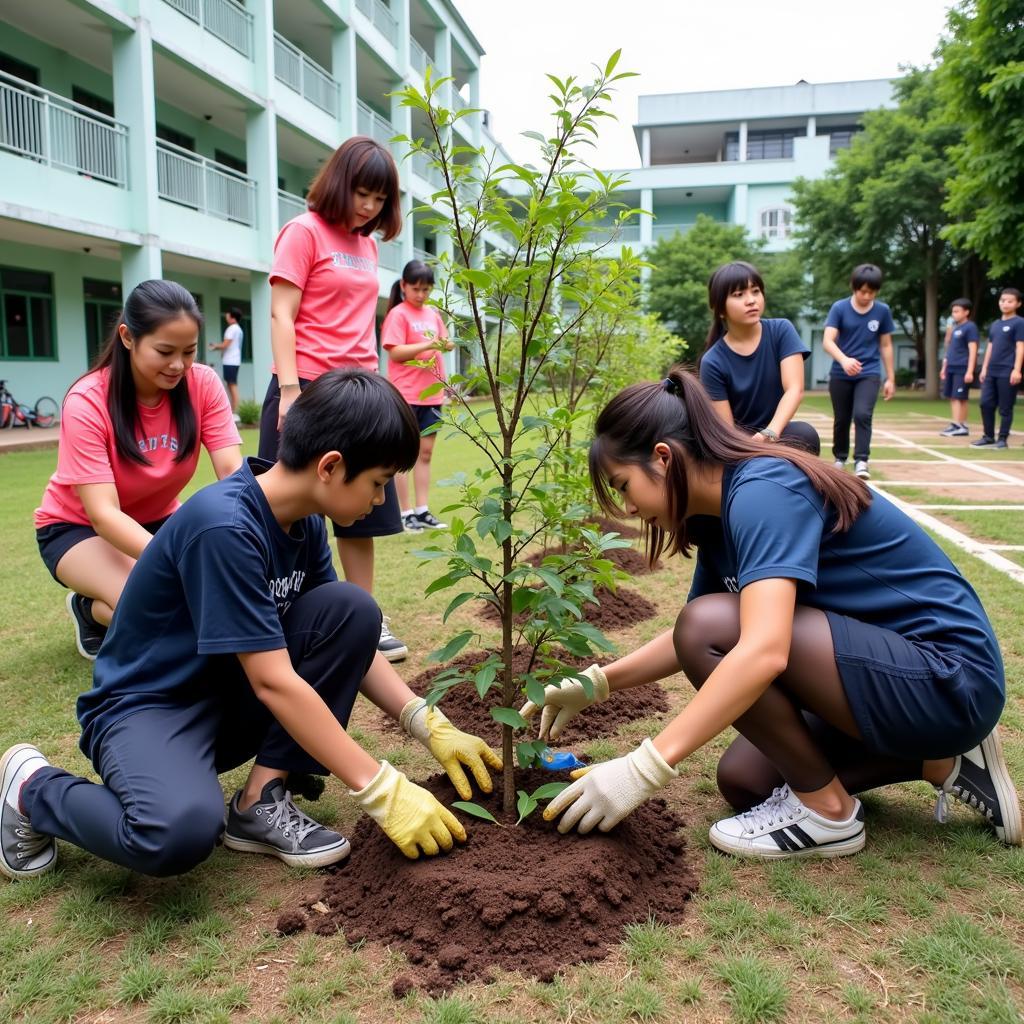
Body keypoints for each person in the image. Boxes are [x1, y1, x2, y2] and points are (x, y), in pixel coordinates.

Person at [2, 370, 502, 882]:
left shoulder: (301, 519)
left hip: (223, 697)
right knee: (174, 833)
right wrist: (381, 789)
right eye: (377, 484)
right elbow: (273, 681)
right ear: (331, 466)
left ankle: (258, 802)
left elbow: (340, 635)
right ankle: (32, 787)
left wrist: (425, 722)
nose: (379, 500)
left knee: (351, 610)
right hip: (148, 708)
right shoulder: (224, 528)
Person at [521, 367, 1021, 858]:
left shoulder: (764, 488)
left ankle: (830, 815)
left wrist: (642, 769)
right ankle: (941, 759)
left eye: (623, 485)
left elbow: (749, 646)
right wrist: (596, 684)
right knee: (746, 780)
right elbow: (689, 639)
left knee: (710, 627)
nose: (626, 509)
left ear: (663, 457)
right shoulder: (716, 517)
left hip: (949, 677)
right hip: (883, 672)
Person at [33, 280, 243, 661]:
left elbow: (232, 471)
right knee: (168, 609)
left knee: (199, 604)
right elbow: (104, 513)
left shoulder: (203, 384)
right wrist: (175, 561)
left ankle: (101, 608)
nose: (178, 365)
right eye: (164, 351)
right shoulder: (87, 401)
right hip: (76, 529)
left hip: (160, 521)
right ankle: (92, 609)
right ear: (128, 337)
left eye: (189, 351)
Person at [257, 136, 409, 662]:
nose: (369, 207)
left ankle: (363, 614)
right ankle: (283, 612)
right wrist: (292, 391)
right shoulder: (303, 232)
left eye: (380, 199)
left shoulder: (368, 245)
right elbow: (281, 314)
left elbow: (363, 324)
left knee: (360, 510)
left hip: (358, 392)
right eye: (362, 194)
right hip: (308, 389)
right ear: (341, 184)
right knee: (291, 509)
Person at [698, 261, 819, 454]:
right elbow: (726, 431)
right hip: (740, 447)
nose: (751, 300)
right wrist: (753, 445)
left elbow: (795, 389)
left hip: (777, 434)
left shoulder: (781, 330)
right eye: (739, 295)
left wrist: (770, 433)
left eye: (755, 291)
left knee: (804, 434)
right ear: (720, 309)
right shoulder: (712, 362)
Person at [381, 259, 454, 532]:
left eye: (426, 289)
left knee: (425, 453)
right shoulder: (398, 314)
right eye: (416, 289)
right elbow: (395, 351)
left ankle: (422, 511)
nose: (421, 295)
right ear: (403, 286)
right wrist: (428, 344)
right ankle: (405, 513)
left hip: (431, 396)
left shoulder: (433, 314)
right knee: (404, 455)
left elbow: (445, 342)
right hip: (407, 394)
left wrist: (445, 345)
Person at [823, 264, 896, 480]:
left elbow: (885, 345)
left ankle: (862, 460)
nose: (866, 296)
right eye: (862, 291)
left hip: (869, 372)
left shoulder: (882, 311)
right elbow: (827, 341)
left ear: (877, 291)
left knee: (863, 414)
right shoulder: (839, 308)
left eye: (871, 292)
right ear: (853, 288)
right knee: (842, 418)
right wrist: (844, 360)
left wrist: (891, 378)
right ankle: (840, 458)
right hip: (841, 373)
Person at [971, 287, 1024, 449]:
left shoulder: (1019, 323)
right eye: (1002, 300)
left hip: (1007, 370)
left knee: (1005, 407)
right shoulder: (995, 324)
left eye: (1010, 301)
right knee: (985, 403)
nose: (1005, 304)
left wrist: (1017, 369)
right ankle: (988, 437)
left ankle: (1002, 439)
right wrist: (985, 367)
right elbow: (991, 347)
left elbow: (1020, 347)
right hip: (991, 371)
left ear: (1018, 304)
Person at [939, 298, 979, 437]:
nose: (954, 314)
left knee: (959, 397)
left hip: (962, 367)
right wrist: (944, 367)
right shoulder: (956, 328)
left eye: (957, 311)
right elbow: (950, 349)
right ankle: (957, 423)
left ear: (966, 312)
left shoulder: (970, 327)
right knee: (953, 397)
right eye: (953, 311)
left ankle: (959, 425)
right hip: (952, 366)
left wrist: (969, 370)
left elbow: (973, 349)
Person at [211, 307, 244, 419]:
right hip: (234, 360)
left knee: (232, 384)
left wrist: (215, 346)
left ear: (231, 316)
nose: (226, 316)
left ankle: (235, 412)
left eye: (227, 314)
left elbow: (226, 344)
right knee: (231, 384)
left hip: (230, 360)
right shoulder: (238, 329)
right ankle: (234, 411)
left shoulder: (231, 329)